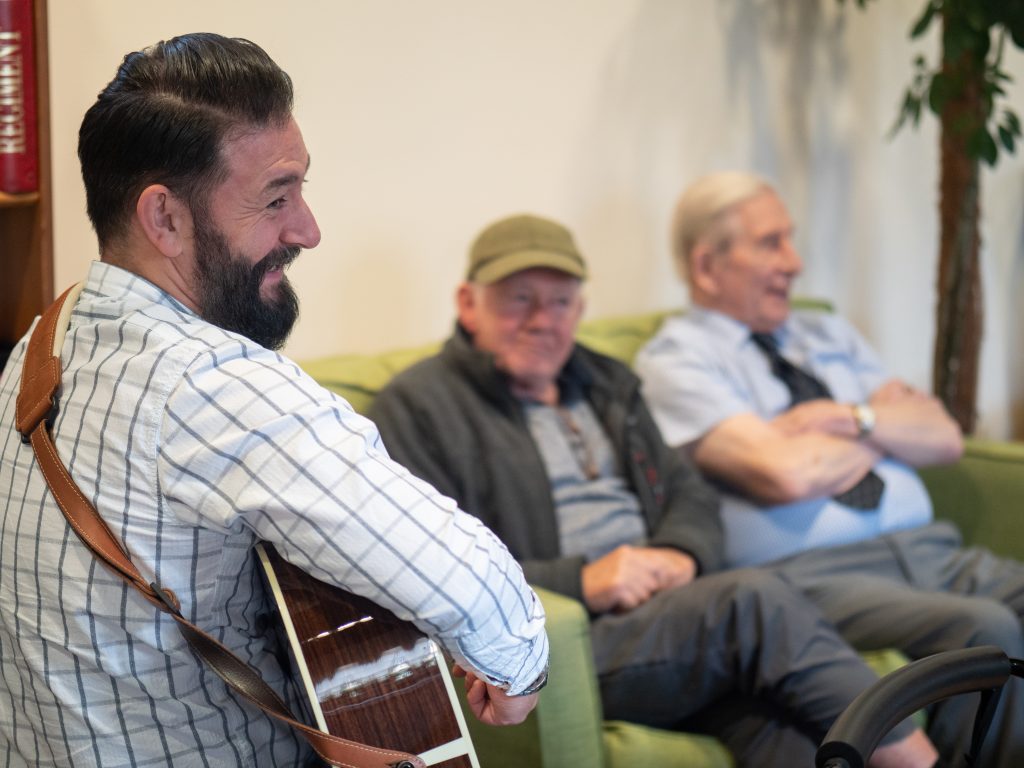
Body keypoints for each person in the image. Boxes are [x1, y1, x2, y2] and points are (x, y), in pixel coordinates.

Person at [0, 33, 548, 767]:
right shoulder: (213, 386)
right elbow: (484, 597)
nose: (307, 230)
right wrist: (520, 671)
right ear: (164, 219)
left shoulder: (38, 348)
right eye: (275, 198)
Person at [369, 212, 939, 768]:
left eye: (561, 301)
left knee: (781, 726)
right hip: (560, 639)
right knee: (752, 601)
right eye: (520, 298)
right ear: (470, 304)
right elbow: (433, 569)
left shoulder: (609, 384)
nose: (544, 319)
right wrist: (582, 582)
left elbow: (691, 496)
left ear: (580, 310)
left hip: (669, 617)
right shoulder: (420, 406)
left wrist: (680, 554)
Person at [635, 170, 1024, 766]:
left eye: (790, 239)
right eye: (771, 243)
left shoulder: (825, 331)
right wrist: (886, 427)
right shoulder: (676, 362)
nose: (794, 262)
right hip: (814, 576)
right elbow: (783, 474)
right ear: (708, 265)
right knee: (982, 629)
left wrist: (837, 417)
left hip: (927, 547)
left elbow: (942, 436)